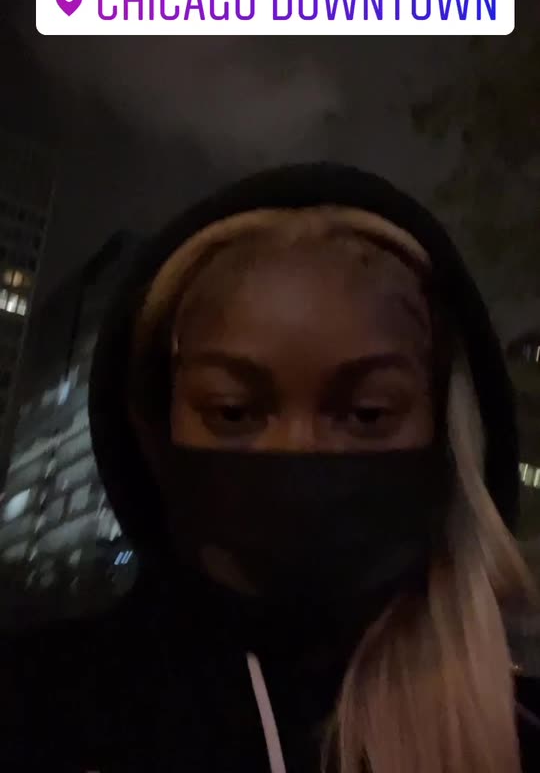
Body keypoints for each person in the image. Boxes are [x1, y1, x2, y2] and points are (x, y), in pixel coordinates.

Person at [1, 161, 539, 773]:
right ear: (155, 430)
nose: (298, 450)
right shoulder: (35, 710)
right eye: (232, 411)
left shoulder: (520, 735)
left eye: (367, 413)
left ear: (445, 433)